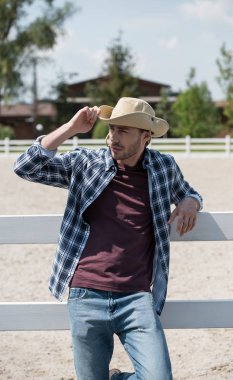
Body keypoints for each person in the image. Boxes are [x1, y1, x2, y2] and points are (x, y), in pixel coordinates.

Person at [14, 97, 202, 380]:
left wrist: (190, 202)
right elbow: (26, 166)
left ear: (146, 137)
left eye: (124, 130)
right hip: (86, 294)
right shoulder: (85, 163)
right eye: (112, 129)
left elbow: (189, 192)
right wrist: (70, 128)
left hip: (137, 298)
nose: (114, 137)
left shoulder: (163, 167)